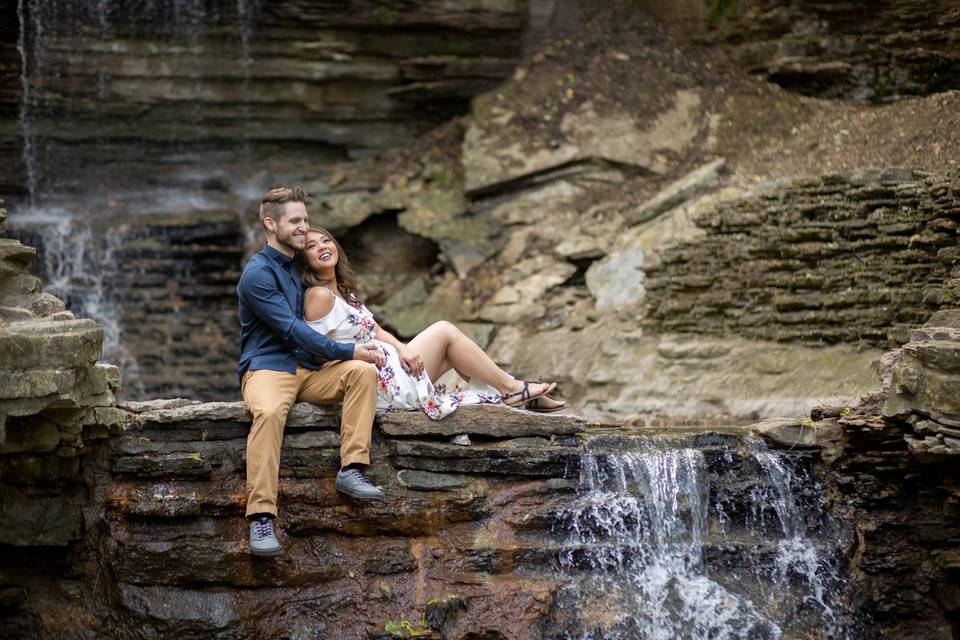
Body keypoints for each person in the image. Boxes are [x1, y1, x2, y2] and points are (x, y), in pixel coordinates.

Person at [237, 186, 387, 558]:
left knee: (360, 374)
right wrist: (347, 349)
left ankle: (352, 468)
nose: (304, 227)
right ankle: (260, 516)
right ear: (270, 224)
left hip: (309, 370)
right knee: (269, 412)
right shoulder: (257, 274)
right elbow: (290, 329)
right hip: (269, 368)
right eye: (295, 221)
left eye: (305, 219)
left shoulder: (299, 269)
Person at [296, 226, 567, 418]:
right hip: (375, 382)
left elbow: (375, 329)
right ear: (304, 261)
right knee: (444, 331)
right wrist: (359, 355)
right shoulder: (319, 296)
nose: (322, 247)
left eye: (325, 241)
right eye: (312, 246)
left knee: (455, 354)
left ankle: (517, 393)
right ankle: (513, 390)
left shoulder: (344, 292)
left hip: (391, 368)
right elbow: (315, 351)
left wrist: (403, 347)